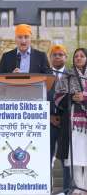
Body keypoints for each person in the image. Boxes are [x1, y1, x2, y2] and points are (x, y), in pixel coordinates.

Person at [55, 48, 87, 193]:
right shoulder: (67, 75)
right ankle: (78, 188)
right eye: (76, 56)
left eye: (82, 56)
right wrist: (71, 97)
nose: (79, 58)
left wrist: (85, 97)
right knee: (76, 156)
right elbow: (57, 96)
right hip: (73, 124)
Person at [47, 45, 71, 192]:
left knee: (65, 159)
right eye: (54, 55)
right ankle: (45, 188)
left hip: (65, 123)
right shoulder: (46, 75)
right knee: (45, 157)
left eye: (61, 54)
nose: (57, 57)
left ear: (65, 57)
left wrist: (64, 117)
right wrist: (48, 116)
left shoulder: (72, 75)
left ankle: (67, 189)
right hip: (47, 122)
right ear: (50, 58)